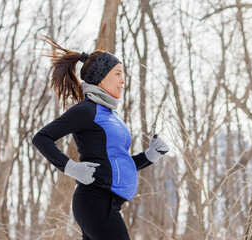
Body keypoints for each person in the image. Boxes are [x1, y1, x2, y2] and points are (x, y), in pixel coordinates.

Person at [32, 36, 170, 240]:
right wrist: (71, 167)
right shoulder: (87, 111)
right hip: (94, 200)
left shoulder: (111, 115)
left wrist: (150, 156)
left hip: (104, 203)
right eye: (118, 74)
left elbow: (116, 164)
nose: (123, 80)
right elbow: (41, 137)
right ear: (101, 76)